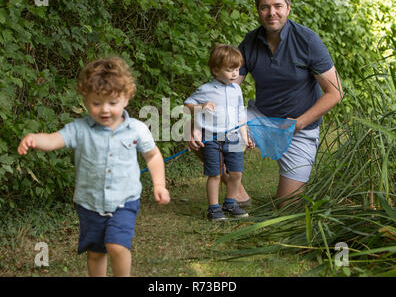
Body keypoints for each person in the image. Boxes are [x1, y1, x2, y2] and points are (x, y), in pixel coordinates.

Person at [17, 56, 170, 276]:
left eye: (112, 103)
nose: (104, 109)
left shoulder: (136, 129)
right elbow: (53, 140)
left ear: (125, 99)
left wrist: (159, 184)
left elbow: (153, 156)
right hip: (89, 203)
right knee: (96, 252)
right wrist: (34, 139)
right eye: (96, 103)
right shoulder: (79, 129)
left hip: (124, 201)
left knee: (117, 246)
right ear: (86, 100)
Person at [236, 0, 343, 207]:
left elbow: (335, 93)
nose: (271, 13)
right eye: (265, 7)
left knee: (287, 207)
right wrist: (209, 116)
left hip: (298, 130)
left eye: (277, 6)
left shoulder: (307, 40)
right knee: (207, 129)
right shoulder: (250, 41)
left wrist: (300, 123)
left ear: (288, 8)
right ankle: (237, 192)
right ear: (258, 10)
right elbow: (229, 87)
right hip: (261, 120)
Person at [184, 44, 255, 220]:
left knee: (236, 172)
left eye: (237, 69)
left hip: (233, 137)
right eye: (230, 70)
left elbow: (240, 114)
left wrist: (245, 137)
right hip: (212, 138)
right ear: (216, 70)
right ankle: (214, 208)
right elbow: (187, 105)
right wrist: (202, 106)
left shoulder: (236, 90)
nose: (235, 74)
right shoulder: (206, 90)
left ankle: (230, 203)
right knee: (215, 174)